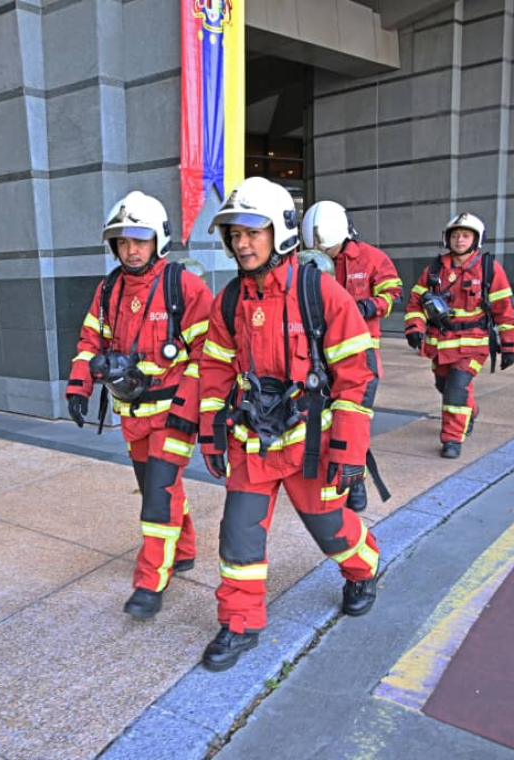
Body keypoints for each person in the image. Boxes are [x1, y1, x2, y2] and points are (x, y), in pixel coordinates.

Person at [196, 177, 381, 672]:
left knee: (332, 531)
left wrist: (347, 450)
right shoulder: (229, 300)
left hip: (312, 445)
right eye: (234, 233)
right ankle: (240, 622)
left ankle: (363, 570)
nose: (241, 243)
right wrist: (211, 431)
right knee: (238, 534)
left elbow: (358, 377)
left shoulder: (321, 292)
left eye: (251, 231)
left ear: (280, 231)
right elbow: (213, 370)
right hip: (252, 443)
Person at [66, 190, 213, 620]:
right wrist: (80, 386)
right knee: (158, 487)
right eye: (123, 242)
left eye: (140, 240)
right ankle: (183, 549)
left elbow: (210, 353)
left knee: (157, 495)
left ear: (158, 240)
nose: (131, 250)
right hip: (131, 415)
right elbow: (90, 340)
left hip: (172, 414)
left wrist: (190, 408)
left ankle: (150, 581)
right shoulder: (109, 289)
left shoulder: (183, 286)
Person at [301, 199, 402, 511]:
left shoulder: (371, 258)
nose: (325, 256)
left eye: (329, 250)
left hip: (360, 356)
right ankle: (327, 480)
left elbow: (392, 292)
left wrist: (368, 306)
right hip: (319, 357)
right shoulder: (305, 260)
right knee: (324, 421)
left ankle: (356, 485)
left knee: (353, 422)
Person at [404, 212, 514, 459]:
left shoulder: (489, 269)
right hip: (441, 346)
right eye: (455, 235)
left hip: (472, 346)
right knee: (444, 386)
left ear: (476, 239)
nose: (459, 240)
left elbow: (505, 310)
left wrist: (509, 346)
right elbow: (415, 303)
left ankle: (452, 440)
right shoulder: (435, 269)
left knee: (456, 391)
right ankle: (470, 411)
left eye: (465, 236)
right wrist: (414, 329)